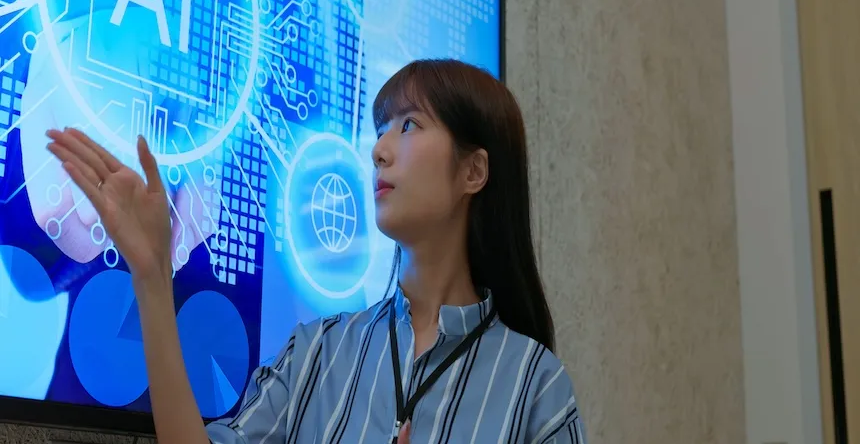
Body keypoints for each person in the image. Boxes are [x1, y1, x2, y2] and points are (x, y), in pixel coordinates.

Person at [45, 58, 587, 444]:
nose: (379, 150)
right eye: (381, 129)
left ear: (473, 171)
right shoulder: (318, 353)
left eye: (409, 125)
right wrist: (151, 274)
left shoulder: (536, 386)